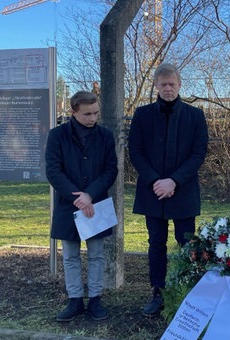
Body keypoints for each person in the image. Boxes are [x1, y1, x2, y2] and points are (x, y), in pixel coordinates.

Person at [128, 63, 209, 316]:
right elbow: (135, 151)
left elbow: (198, 153)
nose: (168, 89)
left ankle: (186, 291)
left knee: (186, 242)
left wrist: (174, 180)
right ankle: (158, 292)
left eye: (172, 84)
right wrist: (155, 180)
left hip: (182, 189)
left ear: (179, 84)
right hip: (152, 190)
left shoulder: (195, 115)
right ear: (156, 86)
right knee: (156, 243)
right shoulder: (142, 115)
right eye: (163, 84)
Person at [45, 91, 118, 322]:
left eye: (96, 113)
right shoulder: (57, 135)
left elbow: (110, 169)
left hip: (95, 203)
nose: (92, 118)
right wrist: (77, 197)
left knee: (96, 254)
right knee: (70, 255)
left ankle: (95, 298)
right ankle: (74, 299)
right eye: (87, 114)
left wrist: (90, 195)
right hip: (69, 204)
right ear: (73, 111)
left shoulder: (105, 136)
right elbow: (53, 170)